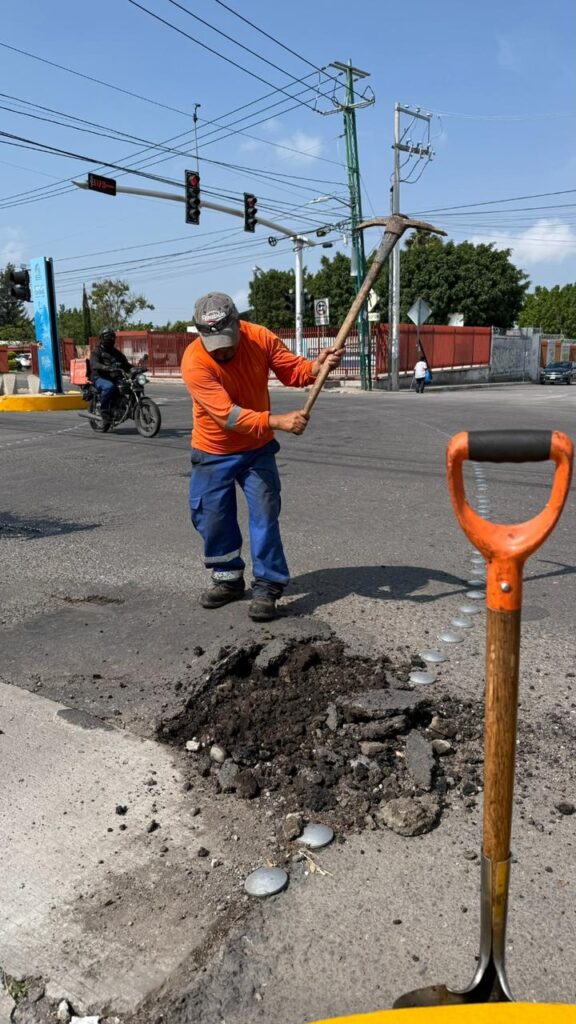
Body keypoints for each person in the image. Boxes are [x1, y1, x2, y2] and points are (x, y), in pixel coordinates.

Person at [181, 292, 343, 622]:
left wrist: (317, 366)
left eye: (227, 341)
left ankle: (268, 584)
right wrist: (278, 421)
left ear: (239, 325)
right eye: (215, 344)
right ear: (200, 334)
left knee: (265, 515)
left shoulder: (260, 337)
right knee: (212, 517)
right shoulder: (195, 362)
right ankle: (226, 578)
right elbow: (227, 416)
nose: (223, 351)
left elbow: (293, 371)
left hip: (257, 450)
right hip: (213, 450)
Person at [90, 329, 132, 421]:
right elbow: (94, 364)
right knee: (109, 387)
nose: (111, 339)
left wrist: (135, 369)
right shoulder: (97, 351)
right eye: (108, 337)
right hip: (99, 377)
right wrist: (106, 367)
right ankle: (104, 409)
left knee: (127, 386)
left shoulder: (116, 352)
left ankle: (124, 406)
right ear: (102, 338)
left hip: (113, 377)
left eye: (112, 337)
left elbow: (126, 365)